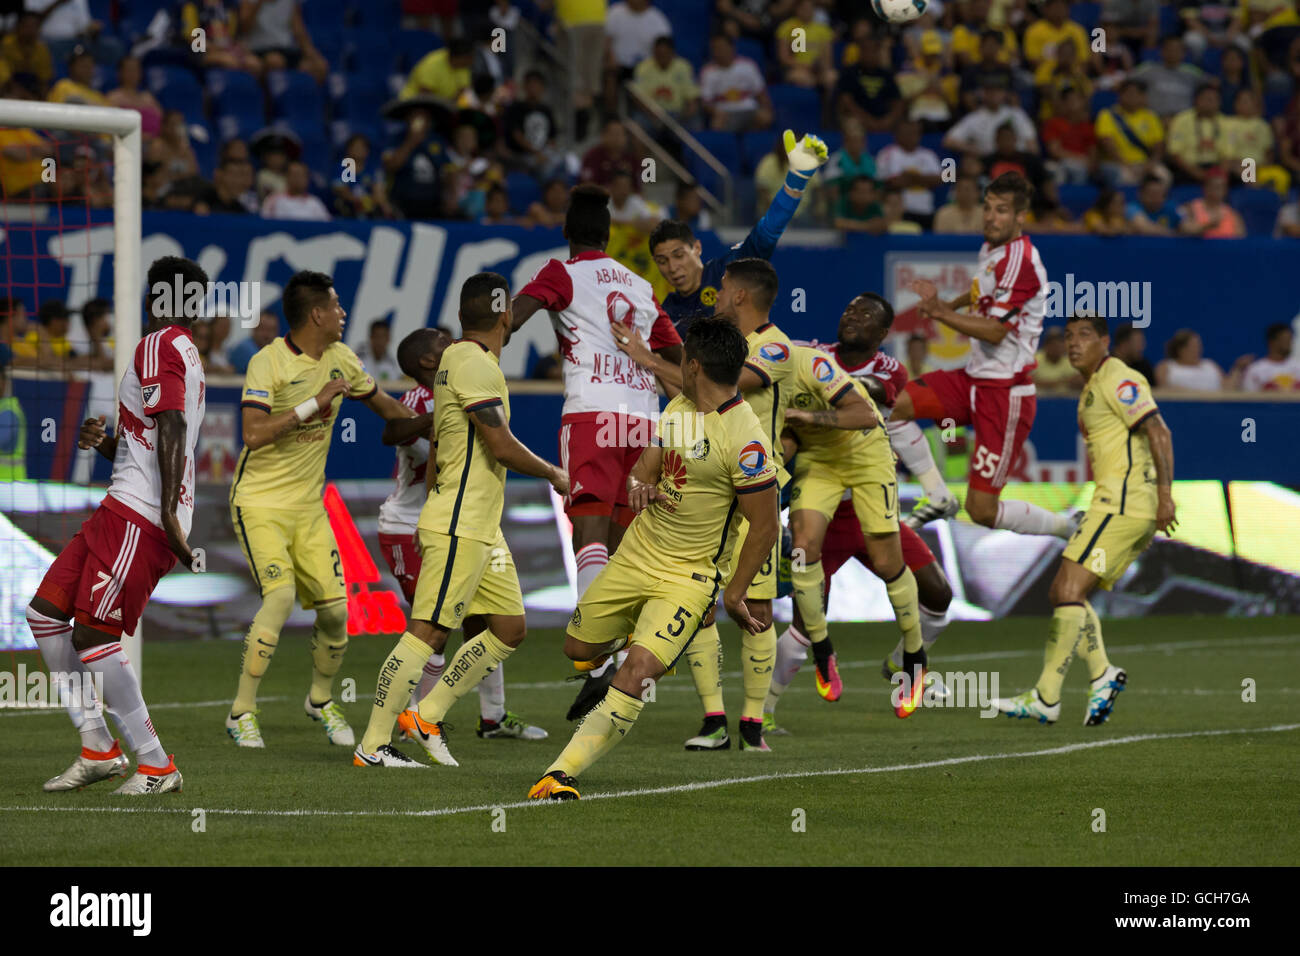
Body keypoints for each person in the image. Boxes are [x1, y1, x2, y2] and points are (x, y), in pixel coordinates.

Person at [527, 317, 779, 800]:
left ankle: (560, 774)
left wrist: (734, 593)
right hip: (636, 556)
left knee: (638, 671)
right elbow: (643, 472)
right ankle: (643, 634)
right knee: (577, 650)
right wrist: (640, 487)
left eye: (681, 358)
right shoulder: (678, 409)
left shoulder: (746, 439)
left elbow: (765, 525)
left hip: (689, 576)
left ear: (694, 366)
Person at [354, 274, 568, 768]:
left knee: (509, 629)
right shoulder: (472, 362)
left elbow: (438, 440)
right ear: (506, 315)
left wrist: (432, 502)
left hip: (479, 524)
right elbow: (501, 445)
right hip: (460, 522)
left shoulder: (458, 359)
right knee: (428, 632)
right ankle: (373, 746)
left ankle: (427, 715)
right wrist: (555, 473)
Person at [27, 255, 209, 795]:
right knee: (45, 614)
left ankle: (156, 765)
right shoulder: (186, 351)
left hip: (141, 514)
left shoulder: (157, 344)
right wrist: (108, 444)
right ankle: (98, 748)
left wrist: (170, 516)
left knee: (93, 634)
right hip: (123, 505)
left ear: (155, 298)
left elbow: (172, 426)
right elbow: (155, 437)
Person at [224, 271, 417, 749]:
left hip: (309, 509)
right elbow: (253, 434)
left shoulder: (341, 358)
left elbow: (386, 407)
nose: (342, 313)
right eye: (336, 306)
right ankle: (241, 711)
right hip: (259, 502)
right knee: (279, 597)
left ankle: (320, 699)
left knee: (335, 614)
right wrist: (314, 403)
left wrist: (440, 426)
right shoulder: (267, 362)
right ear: (316, 314)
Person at [511, 186, 684, 720]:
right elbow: (678, 359)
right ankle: (620, 661)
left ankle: (596, 664)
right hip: (644, 421)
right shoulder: (642, 286)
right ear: (609, 236)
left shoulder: (561, 273)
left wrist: (478, 338)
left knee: (588, 531)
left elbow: (512, 318)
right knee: (620, 544)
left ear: (567, 233)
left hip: (592, 414)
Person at [612, 259, 795, 751]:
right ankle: (714, 719)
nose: (717, 290)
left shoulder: (775, 347)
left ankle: (753, 724)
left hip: (752, 489)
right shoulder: (715, 345)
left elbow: (717, 389)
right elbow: (694, 397)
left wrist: (647, 359)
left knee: (757, 604)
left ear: (740, 294)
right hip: (700, 483)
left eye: (725, 284)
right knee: (698, 606)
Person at [764, 294, 957, 731]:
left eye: (866, 314)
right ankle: (764, 712)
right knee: (804, 621)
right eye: (849, 309)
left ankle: (907, 661)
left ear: (883, 333)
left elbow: (869, 392)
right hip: (828, 506)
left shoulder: (889, 370)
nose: (853, 316)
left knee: (938, 593)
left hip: (868, 496)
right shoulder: (813, 354)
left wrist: (814, 382)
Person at [992, 312, 1177, 725]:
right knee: (1065, 591)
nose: (1073, 343)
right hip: (1118, 506)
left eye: (1084, 335)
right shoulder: (1092, 386)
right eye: (1069, 336)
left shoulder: (1118, 377)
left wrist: (1164, 497)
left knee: (1068, 589)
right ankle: (1099, 675)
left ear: (1104, 342)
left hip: (1123, 506)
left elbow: (1159, 432)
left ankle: (1047, 696)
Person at [374, 327, 549, 746]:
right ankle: (411, 725)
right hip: (411, 526)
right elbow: (391, 433)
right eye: (441, 341)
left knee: (486, 622)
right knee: (433, 630)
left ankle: (492, 717)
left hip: (465, 523)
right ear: (427, 362)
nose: (452, 342)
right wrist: (439, 416)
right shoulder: (422, 398)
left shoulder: (465, 381)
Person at [896, 173, 1077, 542]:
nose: (991, 217)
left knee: (982, 510)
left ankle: (1068, 527)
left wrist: (940, 313)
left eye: (1002, 210)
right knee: (893, 406)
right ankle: (938, 495)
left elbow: (996, 331)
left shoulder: (1021, 261)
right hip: (972, 380)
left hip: (1004, 395)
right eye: (988, 208)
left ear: (1020, 217)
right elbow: (983, 292)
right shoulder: (993, 250)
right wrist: (950, 304)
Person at [781, 333, 929, 719]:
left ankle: (915, 656)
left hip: (866, 452)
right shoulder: (749, 387)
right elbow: (786, 440)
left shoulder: (810, 363)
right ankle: (823, 650)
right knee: (802, 548)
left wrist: (808, 417)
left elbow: (864, 413)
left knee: (887, 562)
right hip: (819, 459)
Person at [651, 130, 828, 335]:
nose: (672, 268)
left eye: (678, 255)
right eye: (662, 261)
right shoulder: (666, 315)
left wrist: (796, 180)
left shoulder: (727, 271)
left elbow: (767, 232)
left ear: (697, 248)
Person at [1094, 79, 1167, 187]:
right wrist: (1125, 164)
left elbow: (1159, 145)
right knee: (1127, 177)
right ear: (1120, 95)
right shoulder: (1107, 115)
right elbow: (1107, 143)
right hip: (1118, 164)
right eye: (1128, 93)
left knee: (1163, 175)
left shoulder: (1150, 116)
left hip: (1145, 164)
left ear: (1143, 97)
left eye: (1136, 93)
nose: (1131, 97)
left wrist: (1152, 163)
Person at [239, 0, 329, 84]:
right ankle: (270, 95)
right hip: (260, 49)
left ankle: (305, 95)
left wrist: (313, 54)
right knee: (275, 61)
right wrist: (259, 3)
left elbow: (298, 30)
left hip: (287, 49)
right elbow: (244, 28)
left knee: (319, 67)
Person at [875, 118, 943, 228]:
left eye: (915, 133)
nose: (912, 136)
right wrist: (925, 180)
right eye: (907, 132)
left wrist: (911, 176)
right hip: (901, 212)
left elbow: (939, 180)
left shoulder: (928, 155)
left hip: (926, 210)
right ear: (897, 135)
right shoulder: (887, 154)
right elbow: (893, 183)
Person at [699, 32, 771, 132]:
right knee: (716, 125)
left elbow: (760, 93)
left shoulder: (748, 65)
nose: (719, 51)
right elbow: (706, 102)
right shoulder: (708, 72)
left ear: (731, 47)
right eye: (715, 48)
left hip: (749, 109)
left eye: (722, 47)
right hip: (725, 113)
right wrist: (716, 112)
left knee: (765, 117)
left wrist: (767, 108)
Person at [943, 82, 1038, 156]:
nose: (994, 94)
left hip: (1019, 161)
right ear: (983, 94)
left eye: (998, 90)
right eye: (990, 91)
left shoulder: (1017, 113)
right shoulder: (973, 118)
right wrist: (975, 150)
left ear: (1004, 93)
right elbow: (949, 141)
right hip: (990, 162)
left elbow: (1031, 143)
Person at [834, 36, 903, 133]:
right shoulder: (849, 73)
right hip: (858, 118)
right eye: (866, 50)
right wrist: (868, 121)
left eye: (873, 51)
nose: (870, 54)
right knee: (852, 126)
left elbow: (897, 102)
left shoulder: (886, 74)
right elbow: (846, 102)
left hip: (883, 119)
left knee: (906, 127)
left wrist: (888, 120)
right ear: (860, 52)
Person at [1166, 83, 1230, 184]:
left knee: (1242, 173)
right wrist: (1197, 173)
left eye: (1215, 100)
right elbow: (1175, 153)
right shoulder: (1181, 120)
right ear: (1196, 100)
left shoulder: (1225, 122)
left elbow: (1228, 155)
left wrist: (1218, 174)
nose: (1211, 103)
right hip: (1187, 168)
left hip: (1216, 167)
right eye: (1207, 99)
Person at [1132, 34, 1203, 118]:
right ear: (1161, 51)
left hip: (1183, 121)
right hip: (1154, 119)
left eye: (1177, 50)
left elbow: (1212, 84)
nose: (1172, 53)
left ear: (1184, 53)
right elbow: (1125, 82)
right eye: (1169, 49)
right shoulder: (1149, 69)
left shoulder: (1192, 72)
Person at [1177, 168, 1245, 238]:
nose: (1219, 190)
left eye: (1222, 186)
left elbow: (1241, 239)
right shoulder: (1190, 208)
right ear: (1205, 187)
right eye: (1215, 186)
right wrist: (1208, 226)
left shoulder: (1233, 215)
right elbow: (1183, 230)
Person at [1155, 328, 1230, 391]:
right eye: (1192, 346)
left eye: (1198, 346)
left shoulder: (1210, 365)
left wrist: (1236, 369)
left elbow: (1227, 388)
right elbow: (1163, 388)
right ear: (1180, 350)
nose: (1197, 350)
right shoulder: (1166, 367)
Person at [260, 160, 331, 221]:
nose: (298, 179)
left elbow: (328, 226)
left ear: (307, 179)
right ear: (286, 177)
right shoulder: (273, 199)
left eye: (302, 175)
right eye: (295, 175)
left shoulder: (315, 202)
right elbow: (264, 224)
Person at [1241, 323, 1300, 391]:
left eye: (1290, 339)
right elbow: (1248, 395)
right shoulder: (1255, 370)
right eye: (1285, 339)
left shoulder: (1298, 367)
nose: (1289, 343)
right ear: (1272, 342)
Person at [228, 310, 279, 374]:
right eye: (262, 329)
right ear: (254, 329)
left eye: (270, 330)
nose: (266, 334)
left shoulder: (274, 350)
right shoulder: (244, 348)